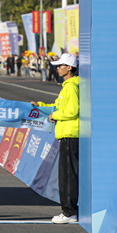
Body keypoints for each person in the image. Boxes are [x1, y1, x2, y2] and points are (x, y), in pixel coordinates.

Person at [31, 53, 79, 224]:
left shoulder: (71, 87)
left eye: (60, 65)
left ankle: (69, 212)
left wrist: (55, 116)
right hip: (67, 134)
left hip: (70, 135)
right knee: (67, 175)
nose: (57, 68)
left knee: (68, 176)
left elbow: (72, 111)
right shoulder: (67, 86)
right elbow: (57, 107)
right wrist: (41, 106)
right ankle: (69, 210)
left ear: (70, 68)